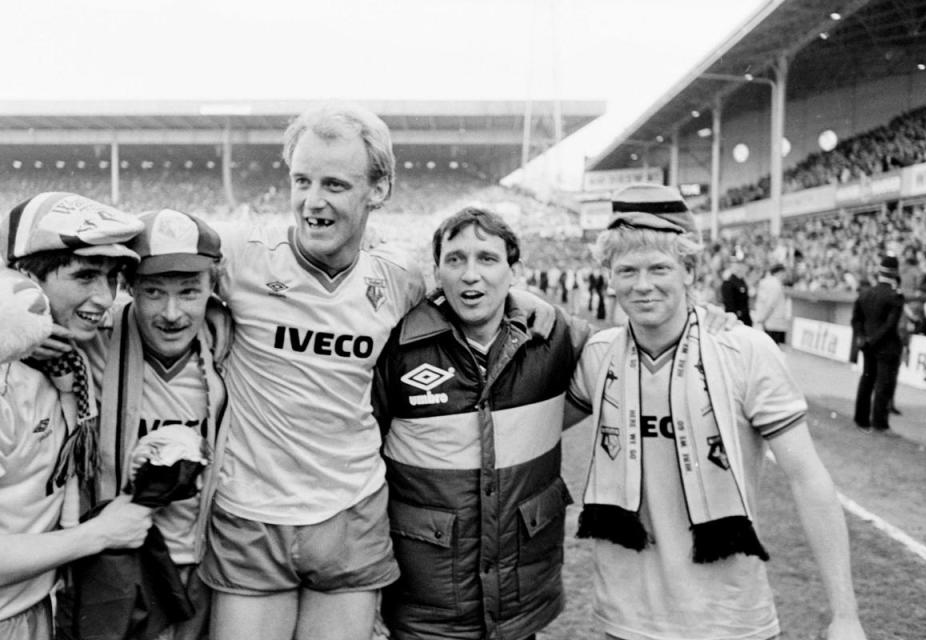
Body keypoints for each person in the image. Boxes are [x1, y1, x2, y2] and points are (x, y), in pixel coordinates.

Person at [198, 103, 551, 640]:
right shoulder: (241, 257)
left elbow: (470, 297)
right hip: (251, 512)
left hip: (352, 510)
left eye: (335, 184)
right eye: (301, 180)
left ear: (378, 189)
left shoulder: (400, 279)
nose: (313, 201)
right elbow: (150, 265)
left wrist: (525, 303)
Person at [567, 183, 866, 640]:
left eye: (659, 268)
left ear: (689, 269)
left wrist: (845, 614)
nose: (642, 285)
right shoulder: (598, 355)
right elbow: (529, 428)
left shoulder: (744, 350)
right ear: (608, 274)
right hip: (623, 620)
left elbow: (808, 478)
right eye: (626, 269)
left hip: (729, 621)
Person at [373, 207, 591, 640]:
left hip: (521, 597)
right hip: (426, 603)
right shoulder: (394, 348)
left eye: (487, 259)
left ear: (516, 271)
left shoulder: (557, 336)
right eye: (455, 259)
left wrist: (714, 323)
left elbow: (633, 346)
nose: (470, 274)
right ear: (437, 272)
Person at [0, 193, 153, 640]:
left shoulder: (67, 358)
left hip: (34, 607)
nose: (104, 298)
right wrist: (100, 534)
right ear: (24, 276)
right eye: (85, 276)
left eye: (112, 278)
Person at [81, 209, 229, 640]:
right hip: (122, 564)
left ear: (213, 289)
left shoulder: (232, 346)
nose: (171, 313)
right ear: (128, 288)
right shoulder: (95, 342)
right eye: (152, 292)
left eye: (188, 292)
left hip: (209, 562)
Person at [852, 256, 904, 433]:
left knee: (866, 381)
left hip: (867, 346)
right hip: (886, 346)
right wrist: (873, 340)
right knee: (884, 384)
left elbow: (856, 320)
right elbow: (890, 325)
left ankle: (861, 419)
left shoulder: (865, 293)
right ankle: (879, 423)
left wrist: (863, 339)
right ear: (895, 272)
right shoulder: (895, 296)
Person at [754, 263, 790, 345]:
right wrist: (763, 318)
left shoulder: (764, 282)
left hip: (766, 320)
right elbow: (771, 304)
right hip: (773, 322)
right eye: (784, 273)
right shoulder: (775, 285)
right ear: (780, 272)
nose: (785, 276)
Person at [721, 258, 752, 326]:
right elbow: (729, 302)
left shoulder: (742, 281)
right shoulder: (729, 282)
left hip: (745, 316)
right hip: (736, 317)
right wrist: (734, 316)